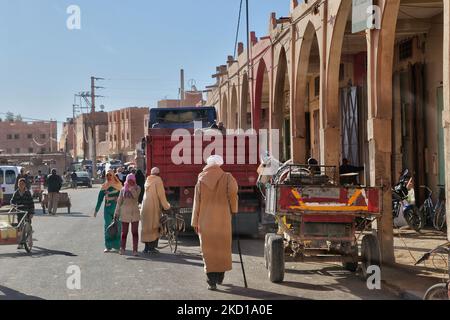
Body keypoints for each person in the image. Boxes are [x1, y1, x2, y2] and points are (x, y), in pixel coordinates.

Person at [191, 155, 238, 291]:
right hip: (222, 219)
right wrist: (233, 208)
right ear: (219, 165)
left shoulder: (200, 180)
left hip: (205, 221)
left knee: (208, 250)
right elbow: (233, 192)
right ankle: (220, 275)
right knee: (222, 248)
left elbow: (196, 202)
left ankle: (211, 280)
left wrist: (195, 222)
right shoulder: (227, 177)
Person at [140, 167, 171, 254]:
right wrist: (167, 206)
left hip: (145, 205)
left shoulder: (148, 179)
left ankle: (146, 248)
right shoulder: (158, 180)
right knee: (154, 225)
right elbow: (161, 195)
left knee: (146, 226)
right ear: (158, 173)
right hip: (153, 205)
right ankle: (152, 248)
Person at [94, 170, 123, 253]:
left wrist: (116, 199)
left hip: (117, 210)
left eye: (110, 175)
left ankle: (117, 246)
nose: (109, 177)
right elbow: (99, 199)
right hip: (107, 210)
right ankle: (108, 246)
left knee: (118, 226)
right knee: (107, 227)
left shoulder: (119, 185)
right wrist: (96, 210)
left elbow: (123, 196)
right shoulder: (104, 186)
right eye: (107, 175)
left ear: (113, 175)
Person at [114, 174, 141, 256]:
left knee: (135, 232)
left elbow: (135, 196)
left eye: (132, 180)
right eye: (129, 180)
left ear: (134, 180)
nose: (130, 182)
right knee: (124, 232)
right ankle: (122, 249)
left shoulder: (138, 188)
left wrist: (131, 188)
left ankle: (135, 250)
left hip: (134, 212)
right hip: (125, 212)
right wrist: (116, 213)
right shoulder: (123, 190)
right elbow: (119, 202)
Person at [10, 178, 35, 249]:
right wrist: (12, 204)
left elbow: (31, 203)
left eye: (22, 184)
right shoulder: (16, 193)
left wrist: (31, 213)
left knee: (28, 226)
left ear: (25, 185)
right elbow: (12, 200)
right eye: (19, 184)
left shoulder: (28, 193)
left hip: (27, 212)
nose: (21, 185)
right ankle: (21, 243)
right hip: (19, 212)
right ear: (18, 185)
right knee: (20, 228)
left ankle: (30, 240)